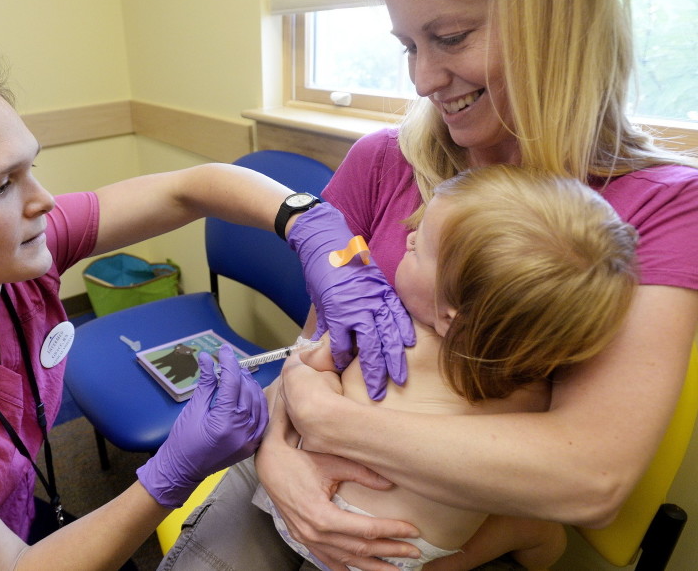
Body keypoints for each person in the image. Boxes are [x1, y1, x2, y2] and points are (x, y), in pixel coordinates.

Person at [158, 0, 698, 570]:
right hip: (292, 464)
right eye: (409, 46)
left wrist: (329, 423)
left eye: (449, 37)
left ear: (559, 18)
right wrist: (278, 460)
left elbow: (590, 478)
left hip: (442, 527)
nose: (421, 81)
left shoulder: (661, 209)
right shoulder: (380, 162)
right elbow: (316, 347)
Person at [0, 44, 407, 570]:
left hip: (2, 513)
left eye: (31, 168)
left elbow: (187, 188)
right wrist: (173, 471)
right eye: (0, 185)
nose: (44, 202)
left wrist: (308, 221)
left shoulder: (6, 257)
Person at [254, 165, 639, 570]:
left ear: (452, 317)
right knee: (518, 529)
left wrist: (308, 374)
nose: (410, 236)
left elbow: (305, 361)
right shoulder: (538, 394)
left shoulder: (386, 331)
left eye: (420, 249)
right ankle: (533, 544)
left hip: (304, 508)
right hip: (408, 555)